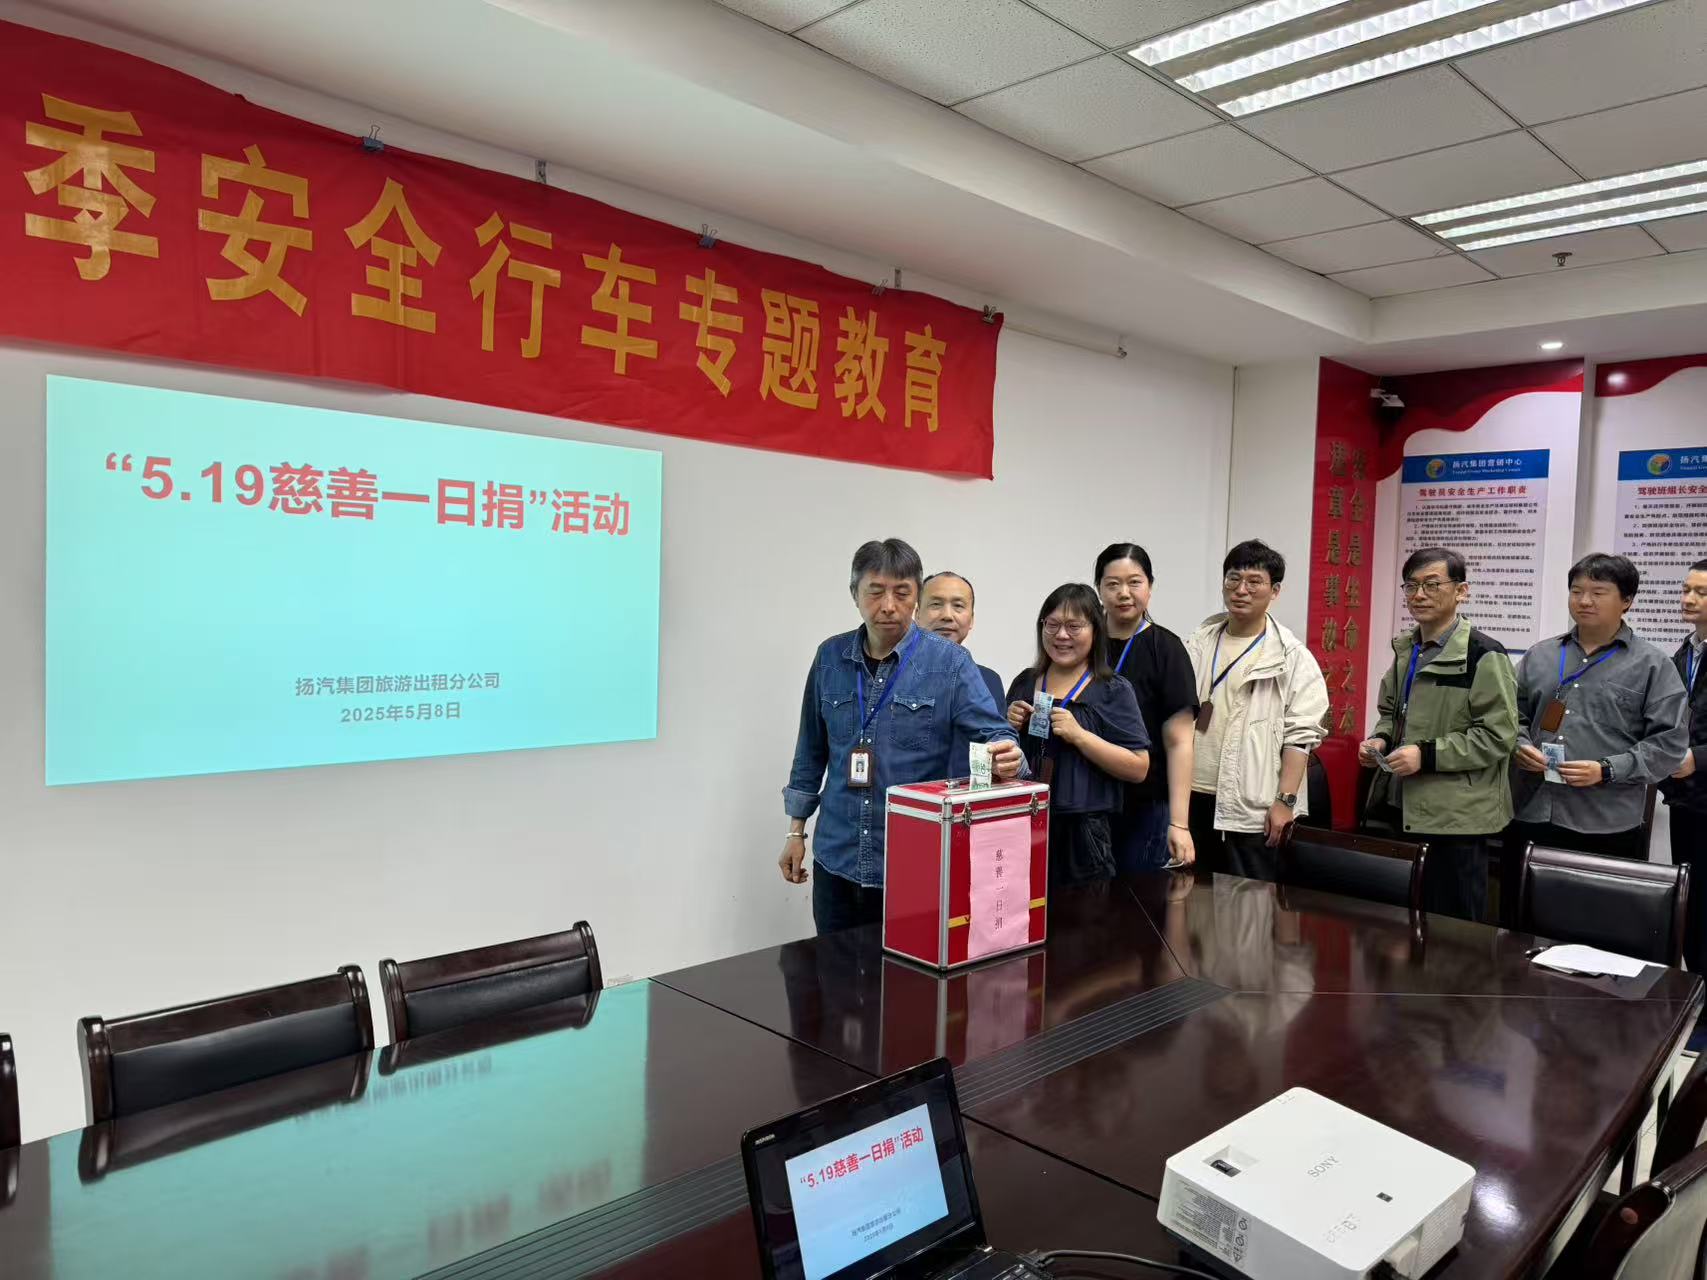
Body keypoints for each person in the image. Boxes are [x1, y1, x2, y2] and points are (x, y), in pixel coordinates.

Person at [783, 539, 1025, 935]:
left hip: (913, 864)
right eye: (875, 591)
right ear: (854, 594)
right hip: (836, 858)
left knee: (907, 972)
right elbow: (810, 750)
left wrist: (1009, 754)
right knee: (833, 968)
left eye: (901, 592)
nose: (888, 606)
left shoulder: (949, 662)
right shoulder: (830, 657)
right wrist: (796, 831)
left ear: (916, 597)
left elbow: (996, 732)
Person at [1358, 548, 1518, 923]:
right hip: (1403, 807)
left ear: (1461, 591)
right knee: (1406, 924)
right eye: (1411, 586)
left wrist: (1426, 755)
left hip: (1456, 817)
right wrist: (1381, 739)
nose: (1419, 595)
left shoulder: (1484, 654)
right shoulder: (1407, 649)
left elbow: (1498, 736)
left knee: (1454, 931)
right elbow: (1392, 713)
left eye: (1432, 585)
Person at [1512, 553, 1689, 859]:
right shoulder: (1540, 655)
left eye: (1598, 592)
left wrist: (1607, 770)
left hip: (1605, 821)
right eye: (1576, 591)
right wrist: (1519, 744)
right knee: (1520, 891)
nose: (1584, 601)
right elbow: (1511, 715)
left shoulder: (1653, 665)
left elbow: (1669, 745)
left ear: (1627, 601)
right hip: (1530, 809)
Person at [1185, 540, 1329, 880]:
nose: (1241, 590)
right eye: (1233, 579)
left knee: (1248, 902)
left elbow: (1300, 737)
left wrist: (1285, 802)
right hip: (1192, 795)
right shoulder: (1198, 642)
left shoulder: (1292, 657)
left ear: (1274, 591)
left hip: (1251, 806)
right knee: (1189, 897)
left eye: (1254, 582)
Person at [1005, 584, 1150, 887]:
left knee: (1084, 915)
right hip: (1022, 822)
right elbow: (1002, 758)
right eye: (1052, 624)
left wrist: (1080, 736)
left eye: (1074, 626)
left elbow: (1138, 767)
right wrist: (1009, 726)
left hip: (1085, 833)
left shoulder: (1112, 689)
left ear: (1095, 630)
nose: (1061, 635)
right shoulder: (1025, 682)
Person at [1095, 543, 1199, 872]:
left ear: (1150, 588)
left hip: (1145, 806)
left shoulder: (1166, 649)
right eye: (1113, 584)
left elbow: (1180, 742)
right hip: (1087, 804)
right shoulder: (1082, 643)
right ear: (1098, 589)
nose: (1124, 593)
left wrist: (1179, 823)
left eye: (1134, 582)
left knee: (1137, 899)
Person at [1660, 558, 1707, 973]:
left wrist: (1699, 758)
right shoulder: (1686, 651)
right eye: (1686, 590)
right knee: (1689, 903)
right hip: (1685, 799)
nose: (1688, 599)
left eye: (1701, 592)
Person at [920, 570, 1005, 777]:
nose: (947, 615)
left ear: (971, 619)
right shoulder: (894, 675)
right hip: (912, 797)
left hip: (970, 797)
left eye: (958, 606)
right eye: (936, 604)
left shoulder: (990, 680)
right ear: (916, 613)